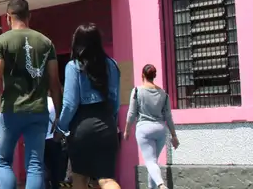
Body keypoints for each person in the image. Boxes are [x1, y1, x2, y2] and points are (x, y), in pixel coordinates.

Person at [0, 0, 63, 189]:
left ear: (8, 17)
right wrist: (59, 114)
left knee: (3, 161)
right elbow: (54, 82)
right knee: (35, 165)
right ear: (29, 15)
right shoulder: (46, 42)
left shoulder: (1, 42)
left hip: (11, 111)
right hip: (38, 111)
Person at [56, 24, 121, 189]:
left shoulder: (73, 66)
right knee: (106, 179)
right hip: (106, 123)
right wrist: (110, 121)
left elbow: (70, 104)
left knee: (80, 178)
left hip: (81, 126)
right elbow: (115, 101)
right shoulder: (112, 64)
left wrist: (61, 127)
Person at [123, 64, 178, 189]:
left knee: (150, 162)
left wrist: (127, 130)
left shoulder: (137, 91)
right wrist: (174, 136)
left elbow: (131, 113)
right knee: (153, 162)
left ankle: (161, 185)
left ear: (142, 75)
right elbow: (168, 116)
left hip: (144, 129)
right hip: (160, 130)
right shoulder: (163, 94)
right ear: (154, 76)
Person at [42, 97, 66, 189]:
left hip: (40, 140)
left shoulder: (37, 102)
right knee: (55, 171)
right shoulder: (55, 102)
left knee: (42, 170)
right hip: (54, 139)